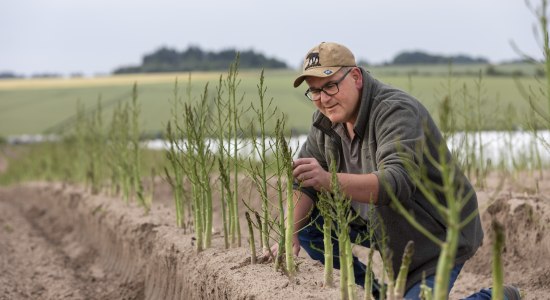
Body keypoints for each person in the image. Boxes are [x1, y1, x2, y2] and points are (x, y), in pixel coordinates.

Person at [270, 42, 521, 300]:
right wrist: (288, 234)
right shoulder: (325, 122)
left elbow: (395, 182)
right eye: (314, 91)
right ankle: (371, 291)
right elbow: (304, 182)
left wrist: (329, 180)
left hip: (435, 235)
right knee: (306, 222)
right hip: (381, 225)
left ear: (355, 77)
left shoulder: (395, 111)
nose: (323, 99)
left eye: (330, 86)